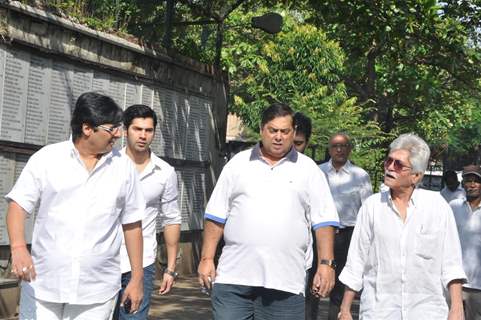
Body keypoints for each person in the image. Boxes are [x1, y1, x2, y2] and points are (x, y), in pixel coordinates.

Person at [6, 92, 145, 319]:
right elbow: (17, 205)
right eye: (112, 129)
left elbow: (132, 226)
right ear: (87, 128)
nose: (119, 135)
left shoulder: (124, 168)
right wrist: (19, 248)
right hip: (43, 285)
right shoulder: (48, 159)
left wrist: (137, 279)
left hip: (97, 292)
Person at [197, 103, 339, 320]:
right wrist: (207, 258)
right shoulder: (238, 165)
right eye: (273, 130)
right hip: (233, 278)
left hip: (286, 282)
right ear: (262, 130)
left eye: (285, 131)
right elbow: (216, 215)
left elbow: (324, 222)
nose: (278, 137)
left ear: (293, 133)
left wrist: (326, 264)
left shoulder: (309, 170)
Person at [337, 133, 466, 320]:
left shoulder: (437, 207)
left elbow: (451, 263)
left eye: (398, 164)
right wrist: (345, 309)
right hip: (379, 311)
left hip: (427, 311)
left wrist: (456, 309)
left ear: (416, 176)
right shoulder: (372, 206)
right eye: (388, 161)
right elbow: (356, 260)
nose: (390, 167)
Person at [114, 105, 181, 319]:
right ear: (125, 130)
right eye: (137, 129)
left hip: (141, 263)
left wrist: (170, 268)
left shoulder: (165, 172)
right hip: (104, 259)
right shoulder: (109, 164)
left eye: (148, 130)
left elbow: (171, 219)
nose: (143, 135)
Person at [319, 133, 372, 320]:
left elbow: (367, 210)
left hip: (347, 235)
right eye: (335, 146)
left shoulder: (360, 176)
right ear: (329, 149)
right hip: (320, 234)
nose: (339, 149)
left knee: (340, 286)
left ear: (350, 149)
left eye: (343, 146)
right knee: (313, 285)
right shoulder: (318, 172)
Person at [450, 164, 481, 320]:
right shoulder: (453, 207)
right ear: (463, 184)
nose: (472, 184)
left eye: (476, 180)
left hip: (478, 287)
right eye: (468, 180)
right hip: (454, 282)